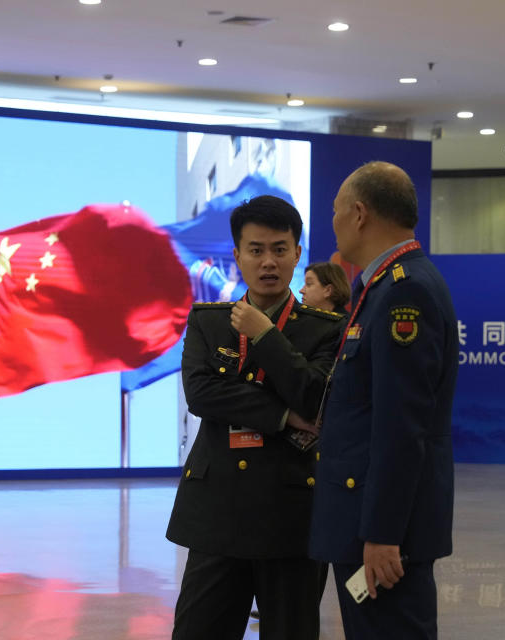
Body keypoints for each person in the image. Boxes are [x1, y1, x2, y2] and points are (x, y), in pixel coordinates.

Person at [167, 195, 345, 640]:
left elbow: (316, 396)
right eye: (256, 249)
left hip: (291, 515)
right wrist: (283, 415)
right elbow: (202, 394)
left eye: (280, 250)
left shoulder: (324, 328)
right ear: (237, 256)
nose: (268, 262)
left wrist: (265, 336)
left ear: (297, 254)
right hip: (217, 513)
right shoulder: (208, 323)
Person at [309, 162, 459, 639]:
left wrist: (383, 533)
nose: (331, 221)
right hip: (366, 522)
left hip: (381, 535)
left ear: (358, 214)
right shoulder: (381, 287)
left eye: (335, 211)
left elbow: (400, 427)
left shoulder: (403, 292)